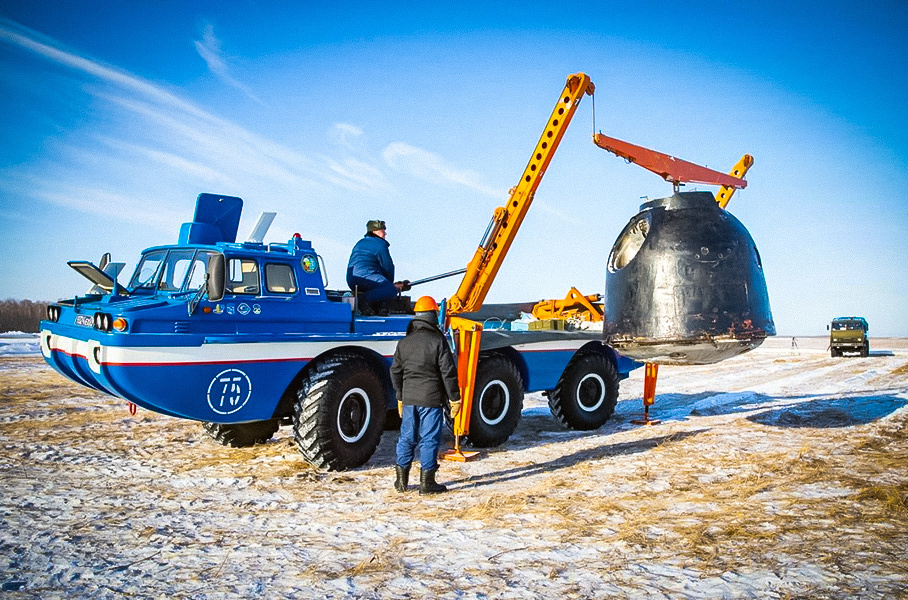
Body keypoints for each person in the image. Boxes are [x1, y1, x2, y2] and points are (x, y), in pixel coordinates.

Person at [390, 296, 462, 494]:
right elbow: (448, 372)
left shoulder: (404, 343)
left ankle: (401, 482)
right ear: (432, 315)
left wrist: (400, 395)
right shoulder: (438, 341)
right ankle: (427, 483)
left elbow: (395, 371)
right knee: (429, 439)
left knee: (406, 438)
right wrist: (454, 397)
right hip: (431, 400)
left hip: (410, 399)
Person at [346, 220, 410, 310]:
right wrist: (391, 286)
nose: (385, 233)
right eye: (382, 230)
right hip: (367, 277)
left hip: (352, 280)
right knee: (389, 290)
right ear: (374, 231)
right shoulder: (380, 244)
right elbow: (388, 267)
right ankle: (362, 301)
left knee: (382, 288)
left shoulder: (360, 243)